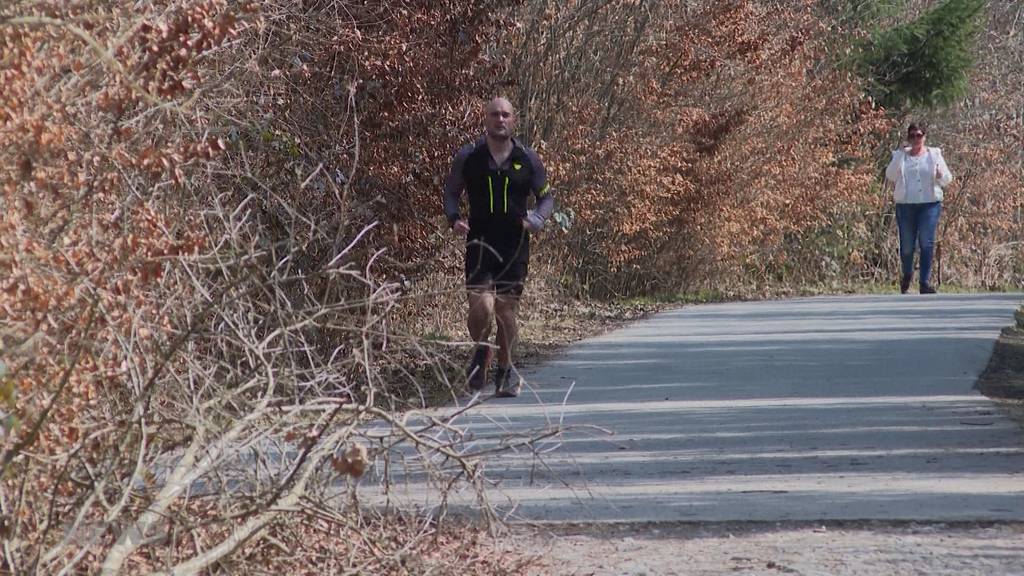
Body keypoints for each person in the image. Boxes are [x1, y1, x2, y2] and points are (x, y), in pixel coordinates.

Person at [442, 97, 554, 397]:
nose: (500, 119)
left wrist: (537, 219)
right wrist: (454, 219)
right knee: (481, 306)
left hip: (514, 244)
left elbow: (546, 197)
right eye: (494, 114)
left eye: (505, 115)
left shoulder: (528, 158)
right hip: (479, 240)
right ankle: (481, 355)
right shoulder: (469, 156)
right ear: (486, 119)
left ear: (513, 120)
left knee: (506, 311)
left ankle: (505, 370)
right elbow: (451, 191)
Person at [885, 123, 953, 294]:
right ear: (908, 137)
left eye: (919, 135)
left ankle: (924, 282)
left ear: (925, 137)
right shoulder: (901, 156)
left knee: (926, 242)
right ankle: (907, 274)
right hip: (906, 206)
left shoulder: (934, 155)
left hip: (929, 205)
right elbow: (890, 176)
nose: (916, 139)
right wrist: (900, 153)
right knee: (907, 245)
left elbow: (947, 178)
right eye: (913, 135)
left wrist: (940, 175)